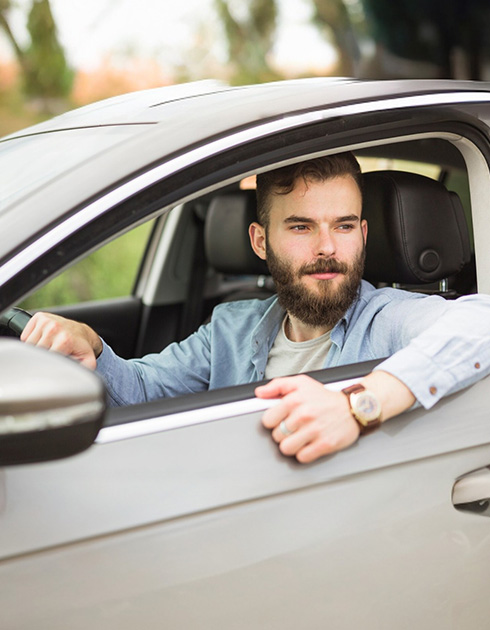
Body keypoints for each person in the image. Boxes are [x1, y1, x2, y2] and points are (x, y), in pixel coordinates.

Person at [21, 153, 490, 463]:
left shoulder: (388, 319)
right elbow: (142, 392)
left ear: (364, 235)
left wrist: (356, 408)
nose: (328, 247)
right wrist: (93, 348)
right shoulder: (231, 326)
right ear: (261, 241)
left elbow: (482, 321)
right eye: (302, 228)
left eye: (344, 226)